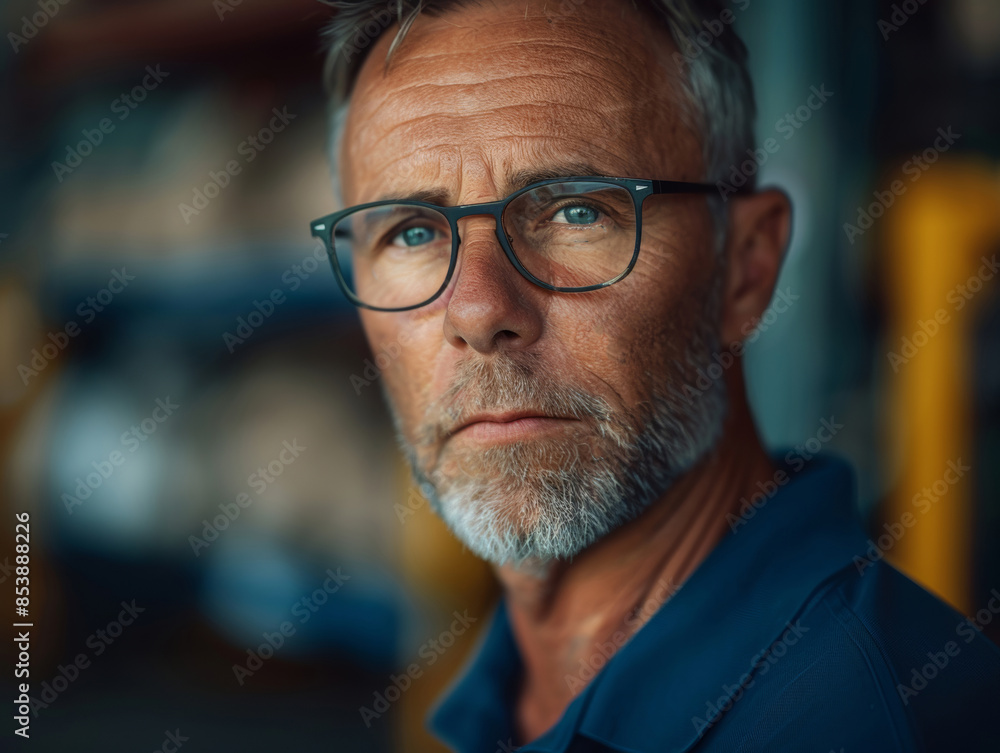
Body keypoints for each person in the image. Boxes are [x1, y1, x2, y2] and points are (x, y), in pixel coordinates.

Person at [312, 1, 1000, 750]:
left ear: (746, 268)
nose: (477, 309)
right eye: (412, 231)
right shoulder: (500, 694)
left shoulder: (862, 723)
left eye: (576, 211)